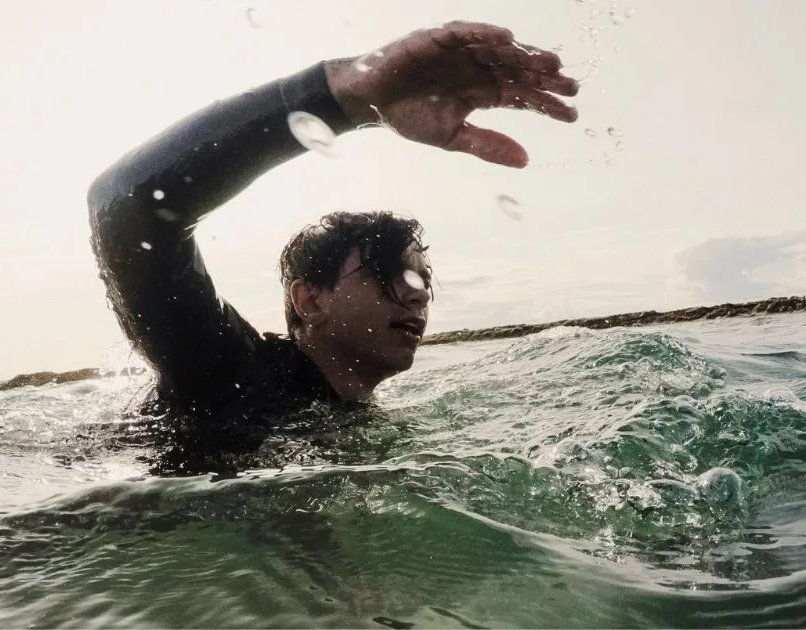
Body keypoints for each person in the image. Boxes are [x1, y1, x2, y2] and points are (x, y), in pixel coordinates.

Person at [88, 21, 580, 434]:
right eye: (388, 270)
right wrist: (343, 99)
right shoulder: (229, 373)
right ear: (310, 301)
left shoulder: (352, 417)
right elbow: (128, 205)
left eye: (423, 281)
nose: (418, 296)